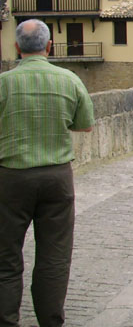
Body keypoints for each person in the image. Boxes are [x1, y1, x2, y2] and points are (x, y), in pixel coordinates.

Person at [0, 19, 94, 327]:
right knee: (54, 255)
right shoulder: (69, 80)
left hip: (11, 177)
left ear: (17, 47)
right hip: (56, 176)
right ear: (49, 46)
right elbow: (84, 124)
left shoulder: (4, 83)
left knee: (6, 256)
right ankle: (50, 321)